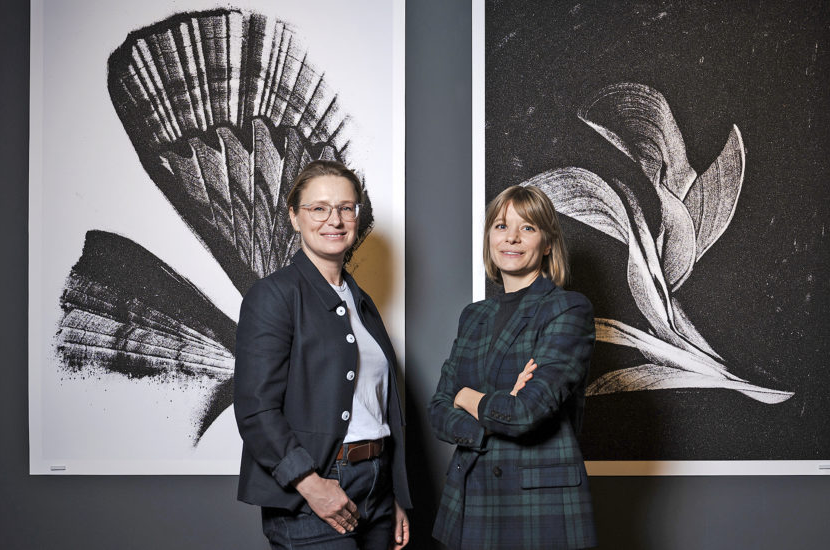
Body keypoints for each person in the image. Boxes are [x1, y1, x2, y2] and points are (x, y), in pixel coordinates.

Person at [234, 160, 410, 549]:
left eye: (347, 208)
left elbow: (376, 407)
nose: (335, 219)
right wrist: (310, 485)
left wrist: (392, 494)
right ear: (295, 217)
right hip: (317, 487)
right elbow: (255, 408)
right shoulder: (274, 295)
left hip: (377, 489)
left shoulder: (359, 300)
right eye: (319, 208)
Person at [428, 185, 598, 550]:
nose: (513, 238)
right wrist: (489, 409)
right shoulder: (474, 316)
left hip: (537, 508)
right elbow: (438, 410)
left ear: (548, 243)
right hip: (469, 497)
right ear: (489, 236)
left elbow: (525, 412)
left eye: (528, 228)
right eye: (502, 226)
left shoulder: (569, 309)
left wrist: (467, 396)